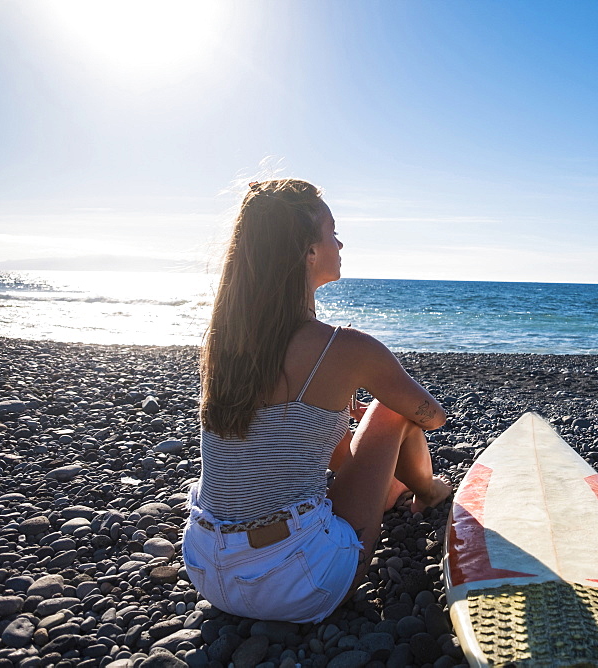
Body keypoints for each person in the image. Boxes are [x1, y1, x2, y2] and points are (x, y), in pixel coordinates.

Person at [182, 178, 452, 623]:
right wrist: (376, 418)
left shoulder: (223, 343)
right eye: (332, 231)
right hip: (297, 581)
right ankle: (429, 493)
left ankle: (398, 491)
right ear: (308, 251)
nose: (340, 242)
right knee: (391, 410)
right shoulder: (343, 347)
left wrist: (339, 421)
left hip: (207, 568)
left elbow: (301, 446)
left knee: (347, 446)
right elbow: (433, 416)